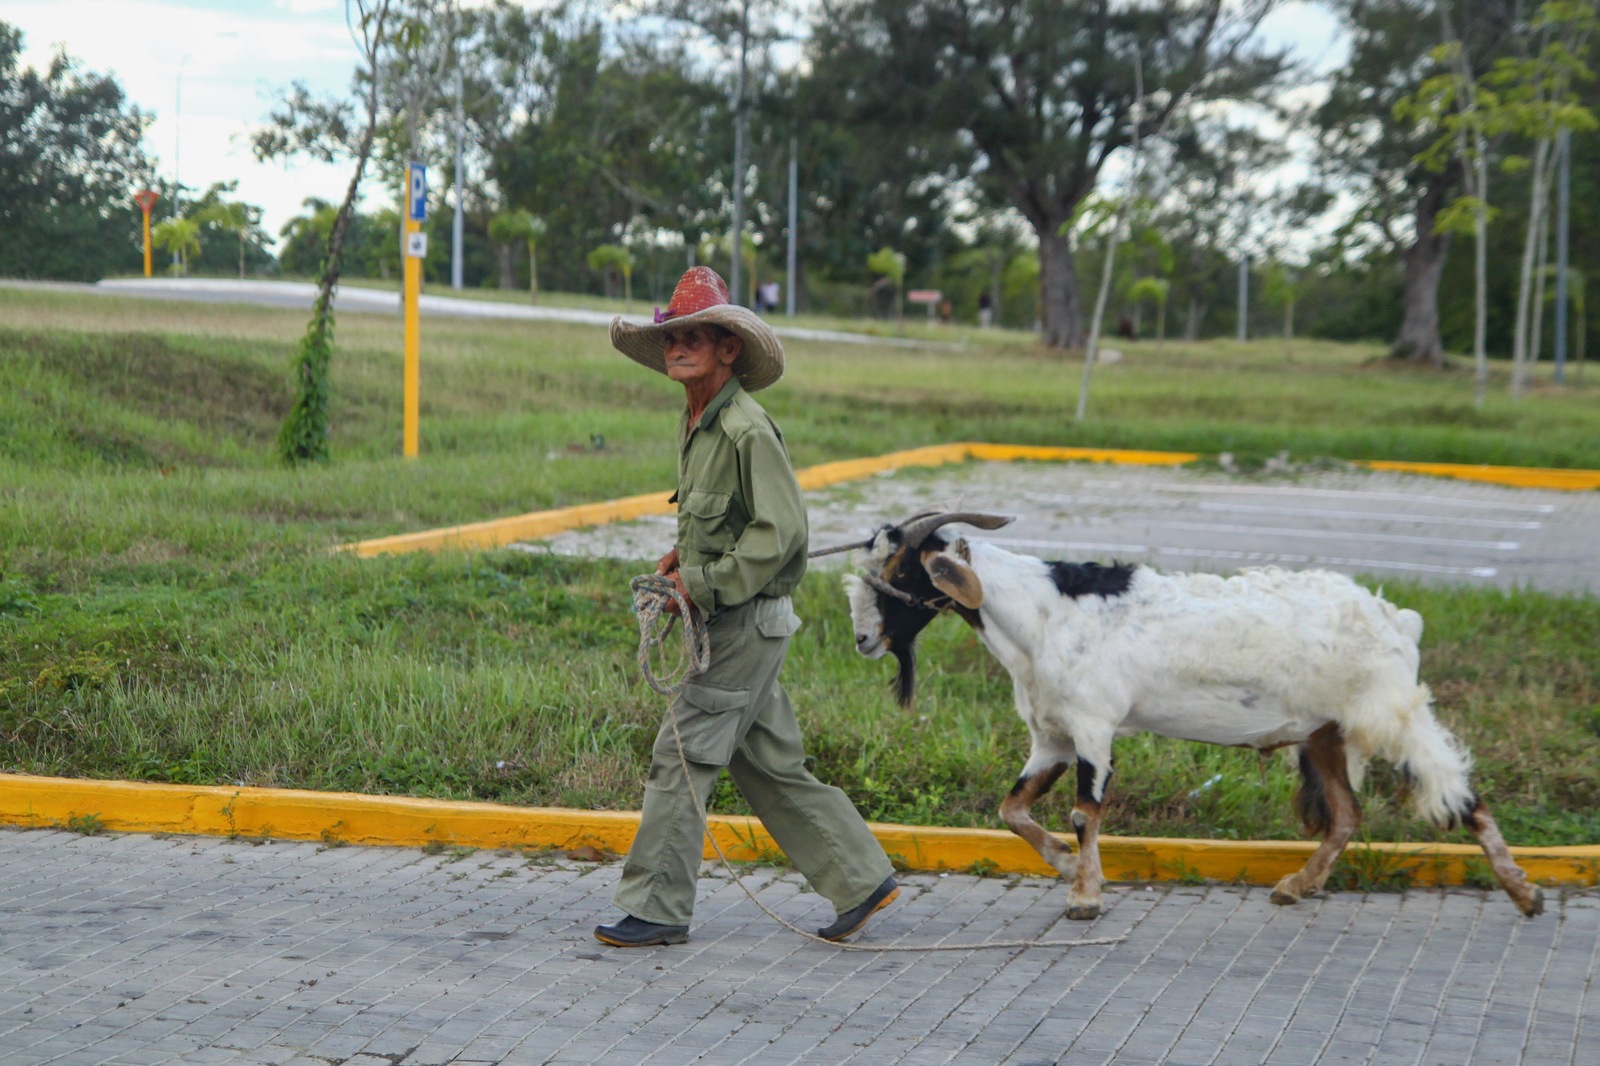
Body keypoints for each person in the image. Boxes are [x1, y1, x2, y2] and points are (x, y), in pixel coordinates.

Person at [595, 266, 899, 948]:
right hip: (737, 619)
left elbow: (779, 533)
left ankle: (657, 909)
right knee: (768, 763)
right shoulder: (699, 420)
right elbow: (721, 525)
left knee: (681, 755)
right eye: (671, 336)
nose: (677, 347)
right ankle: (860, 879)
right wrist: (683, 561)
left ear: (728, 349)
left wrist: (698, 587)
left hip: (741, 623)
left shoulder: (745, 429)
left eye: (694, 336)